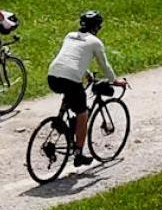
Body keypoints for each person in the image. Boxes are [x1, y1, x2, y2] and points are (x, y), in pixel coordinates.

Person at [46, 10, 122, 166]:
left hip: (53, 75)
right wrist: (115, 80)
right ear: (97, 27)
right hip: (70, 78)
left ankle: (59, 125)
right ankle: (79, 153)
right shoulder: (95, 42)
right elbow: (105, 65)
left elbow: (72, 57)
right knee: (82, 114)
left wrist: (86, 73)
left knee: (70, 96)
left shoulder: (69, 35)